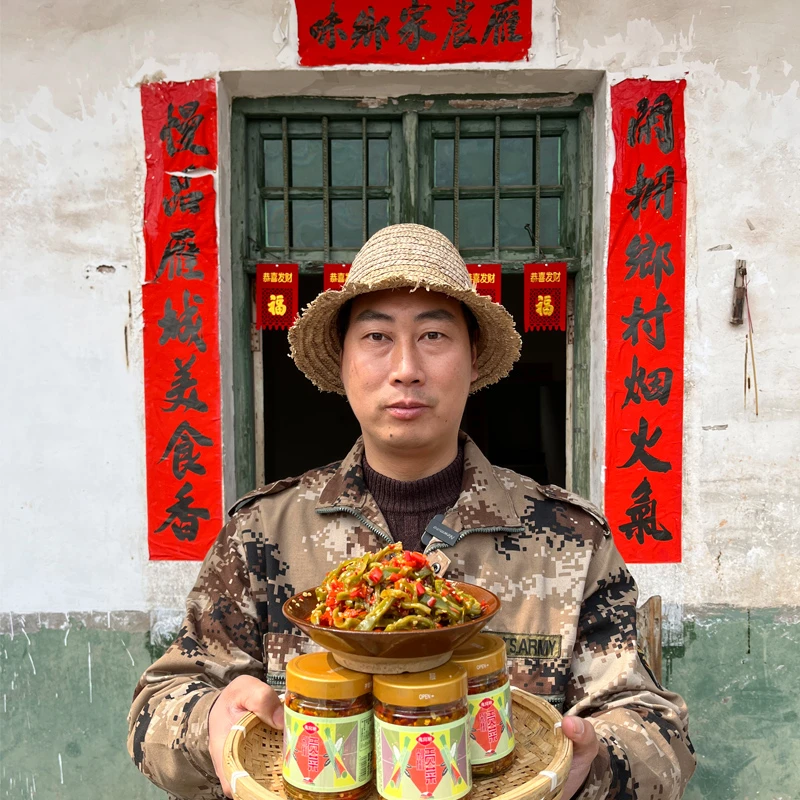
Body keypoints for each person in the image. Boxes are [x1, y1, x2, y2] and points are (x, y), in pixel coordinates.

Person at [128, 224, 695, 799]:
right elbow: (156, 709)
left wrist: (595, 761)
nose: (405, 368)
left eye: (433, 336)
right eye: (376, 336)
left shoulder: (568, 539)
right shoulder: (263, 532)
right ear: (344, 363)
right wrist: (209, 724)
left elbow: (661, 735)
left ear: (473, 361)